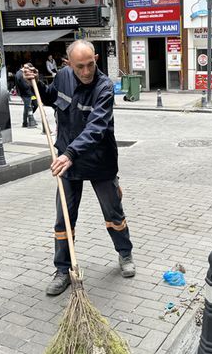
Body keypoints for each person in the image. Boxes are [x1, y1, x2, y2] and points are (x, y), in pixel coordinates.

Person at [23, 40, 135, 296]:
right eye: (80, 67)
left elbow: (96, 128)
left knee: (113, 212)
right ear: (68, 64)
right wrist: (32, 81)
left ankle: (125, 254)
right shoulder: (63, 77)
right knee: (64, 218)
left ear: (96, 58)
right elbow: (48, 97)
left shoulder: (105, 86)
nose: (86, 72)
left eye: (90, 64)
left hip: (99, 161)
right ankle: (63, 270)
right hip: (68, 162)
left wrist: (70, 153)